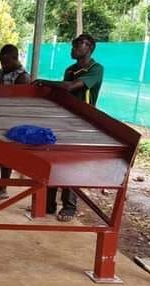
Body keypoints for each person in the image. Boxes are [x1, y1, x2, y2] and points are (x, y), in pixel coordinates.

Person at [34, 33, 104, 222]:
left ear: (88, 48)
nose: (72, 49)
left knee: (71, 163)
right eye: (72, 46)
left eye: (77, 46)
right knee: (54, 159)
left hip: (82, 124)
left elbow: (70, 87)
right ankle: (49, 203)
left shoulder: (96, 69)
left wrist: (44, 82)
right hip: (64, 120)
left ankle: (69, 206)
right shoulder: (70, 69)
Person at [0, 44, 31, 201]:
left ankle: (2, 187)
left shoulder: (22, 77)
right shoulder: (2, 72)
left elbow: (21, 102)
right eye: (1, 62)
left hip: (13, 120)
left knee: (6, 155)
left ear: (15, 58)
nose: (3, 65)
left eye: (6, 62)